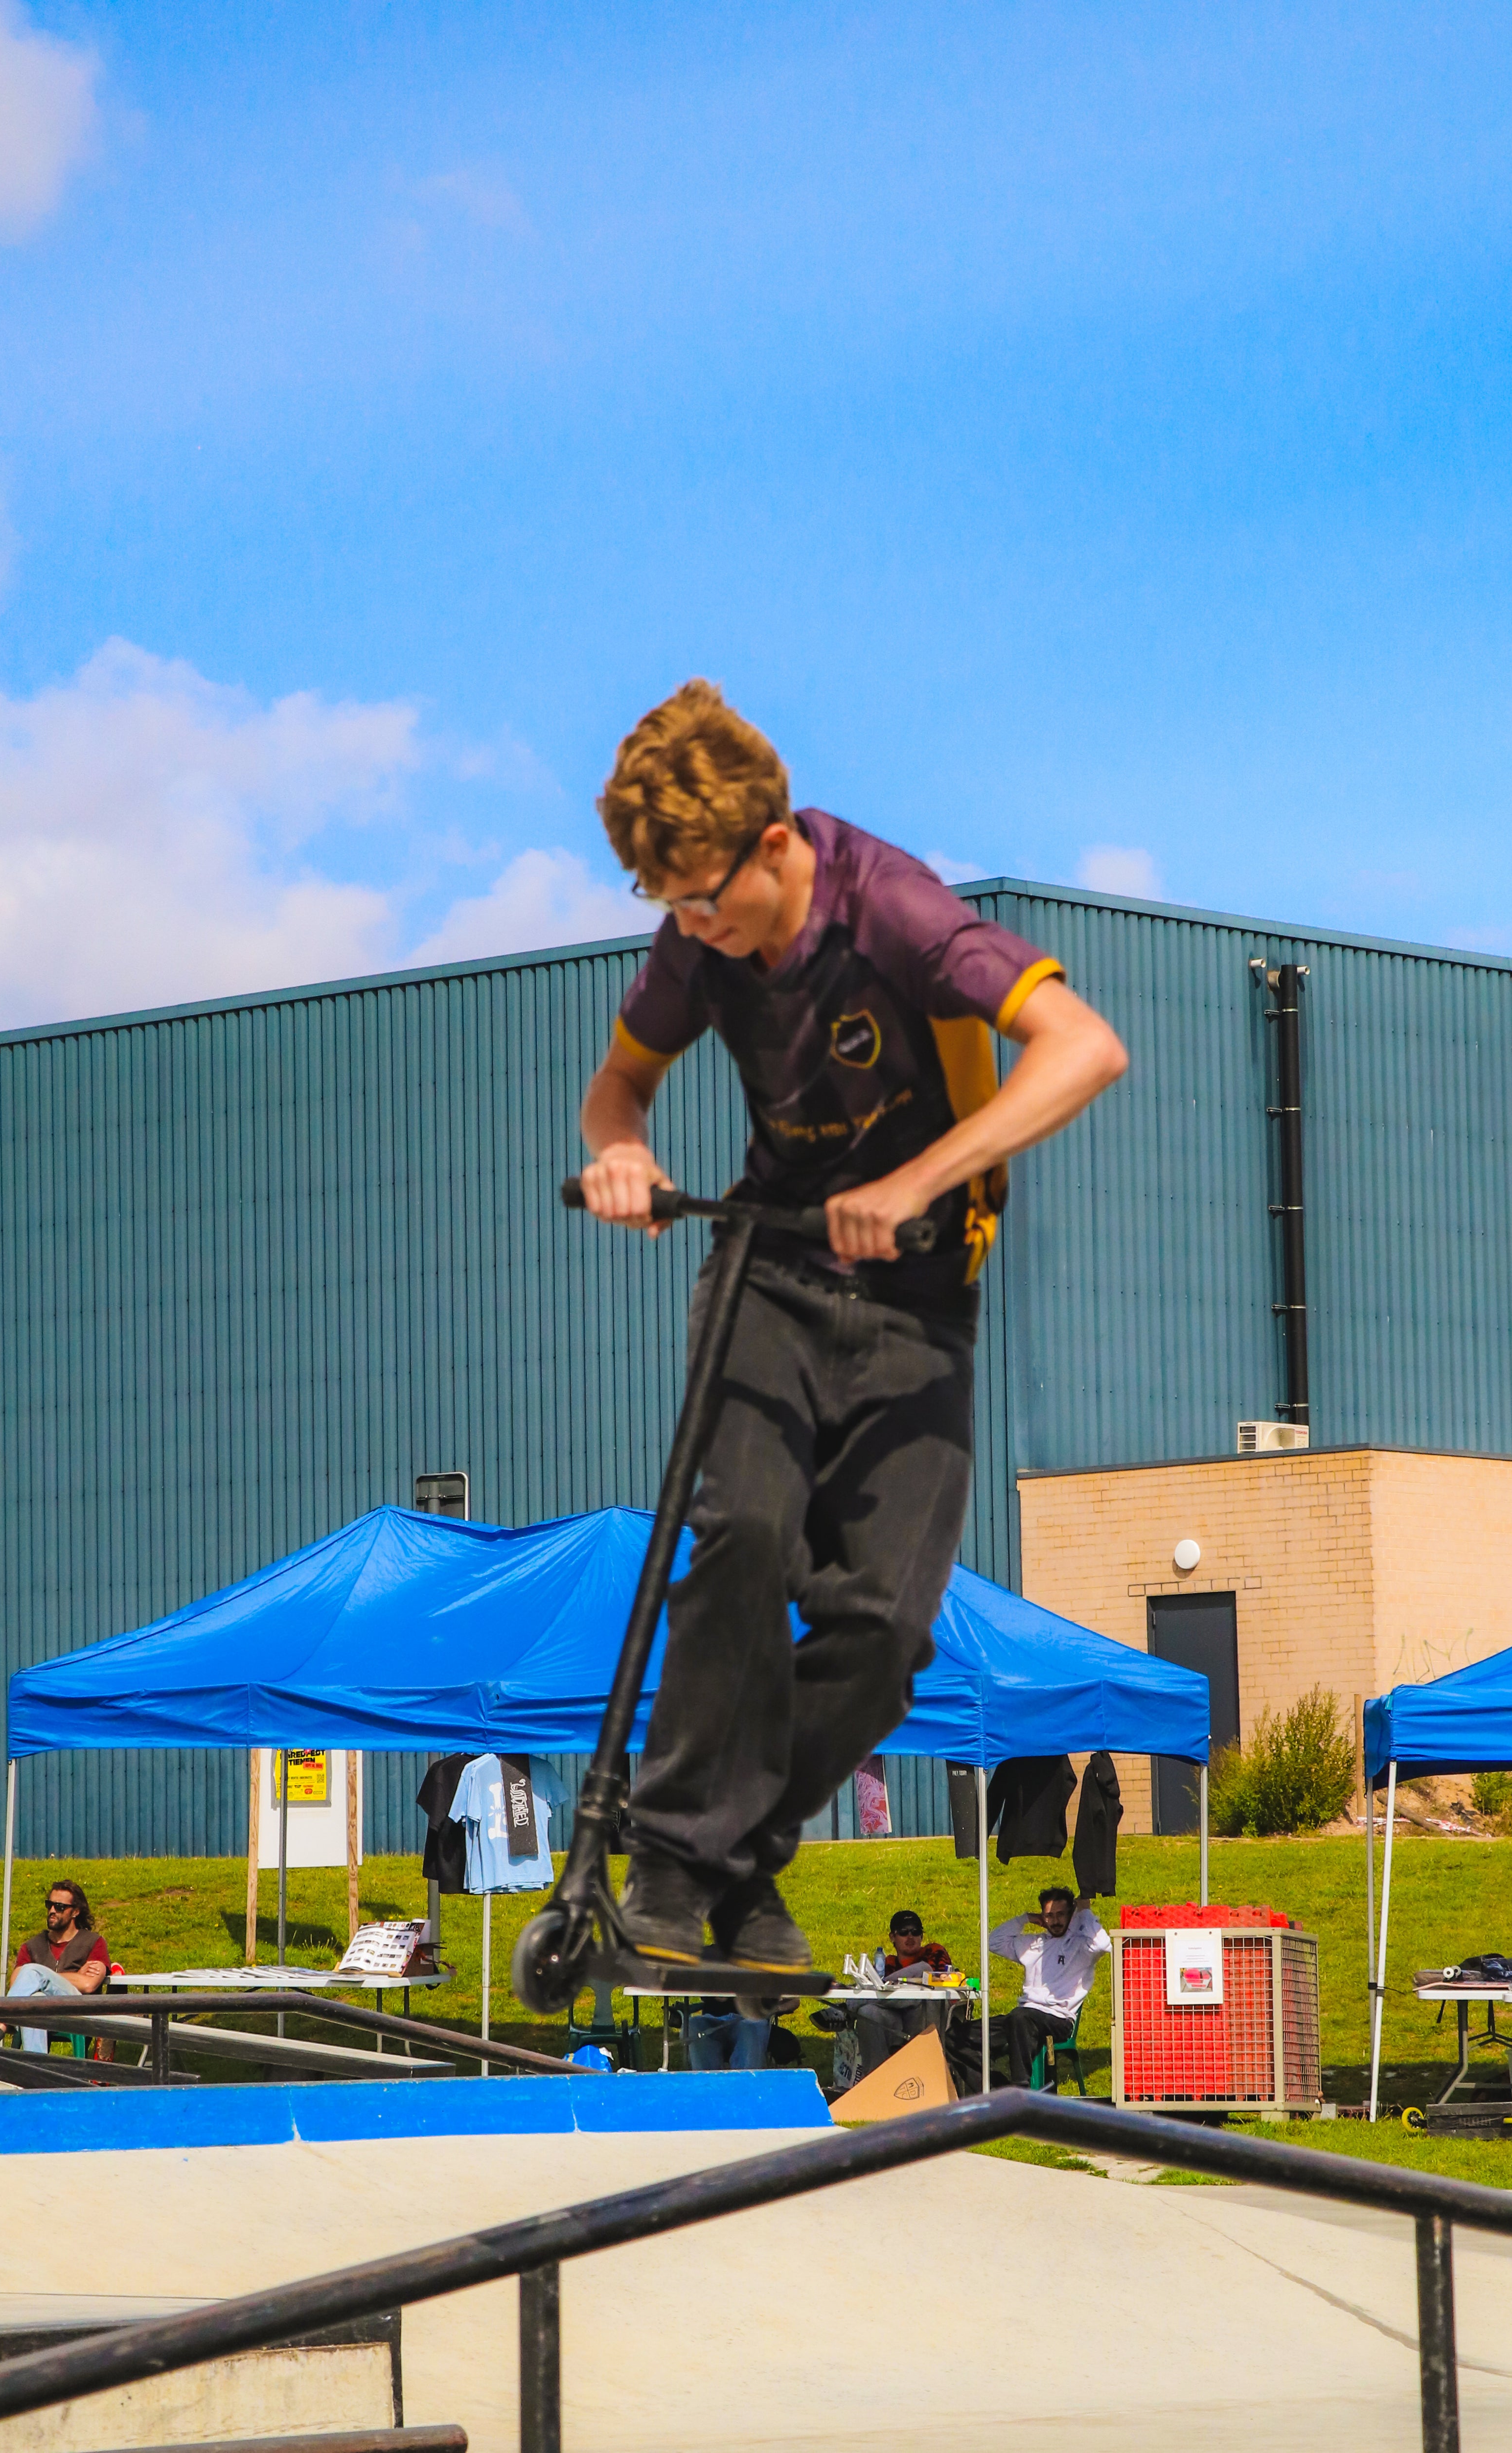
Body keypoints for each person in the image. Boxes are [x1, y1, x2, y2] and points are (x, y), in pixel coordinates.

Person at [578, 682, 1128, 1972]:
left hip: (920, 1302)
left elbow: (1085, 1048)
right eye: (671, 905)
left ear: (775, 843)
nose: (696, 927)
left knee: (883, 1630)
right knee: (744, 1536)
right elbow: (621, 1081)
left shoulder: (895, 911)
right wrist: (620, 1150)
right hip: (769, 1270)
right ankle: (673, 1862)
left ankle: (738, 1863)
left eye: (708, 898)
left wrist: (919, 1178)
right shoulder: (698, 939)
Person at [992, 1885, 1110, 2090]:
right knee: (958, 2038)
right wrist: (1026, 1918)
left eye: (1061, 1914)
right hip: (1024, 2017)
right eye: (1049, 1916)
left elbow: (1103, 1945)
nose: (1055, 1921)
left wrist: (1085, 1912)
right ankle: (997, 2090)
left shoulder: (1081, 1947)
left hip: (1058, 2019)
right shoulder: (1034, 1944)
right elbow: (994, 1942)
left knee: (1020, 2017)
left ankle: (1021, 2091)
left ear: (1071, 1914)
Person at [0, 1878, 110, 2053]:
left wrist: (42, 1976)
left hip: (77, 2009)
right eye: (50, 1905)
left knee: (31, 1971)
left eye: (59, 1907)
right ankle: (37, 2066)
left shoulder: (93, 1942)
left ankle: (2, 2025)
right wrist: (75, 1976)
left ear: (75, 1912)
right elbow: (17, 1985)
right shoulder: (32, 1946)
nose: (52, 1911)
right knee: (34, 1999)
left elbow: (89, 1985)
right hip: (40, 2010)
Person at [855, 1911, 953, 2073]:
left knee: (923, 1970)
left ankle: (856, 2001)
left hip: (929, 2012)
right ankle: (877, 2080)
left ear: (922, 1936)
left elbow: (939, 1980)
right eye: (904, 1932)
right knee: (868, 2012)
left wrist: (887, 1986)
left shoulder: (933, 1952)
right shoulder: (887, 1964)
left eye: (916, 1932)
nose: (910, 1937)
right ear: (892, 1937)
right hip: (897, 2019)